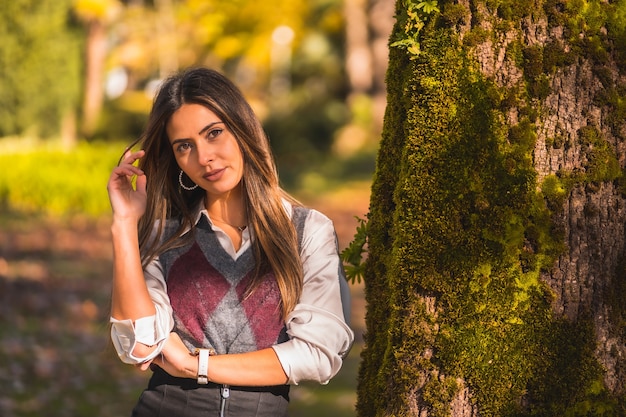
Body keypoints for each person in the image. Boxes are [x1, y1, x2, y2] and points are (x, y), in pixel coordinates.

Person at [106, 67, 354, 417]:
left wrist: (197, 366)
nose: (204, 157)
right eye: (184, 146)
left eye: (214, 133)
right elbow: (140, 344)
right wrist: (124, 224)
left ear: (242, 130)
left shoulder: (307, 231)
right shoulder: (165, 237)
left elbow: (318, 355)